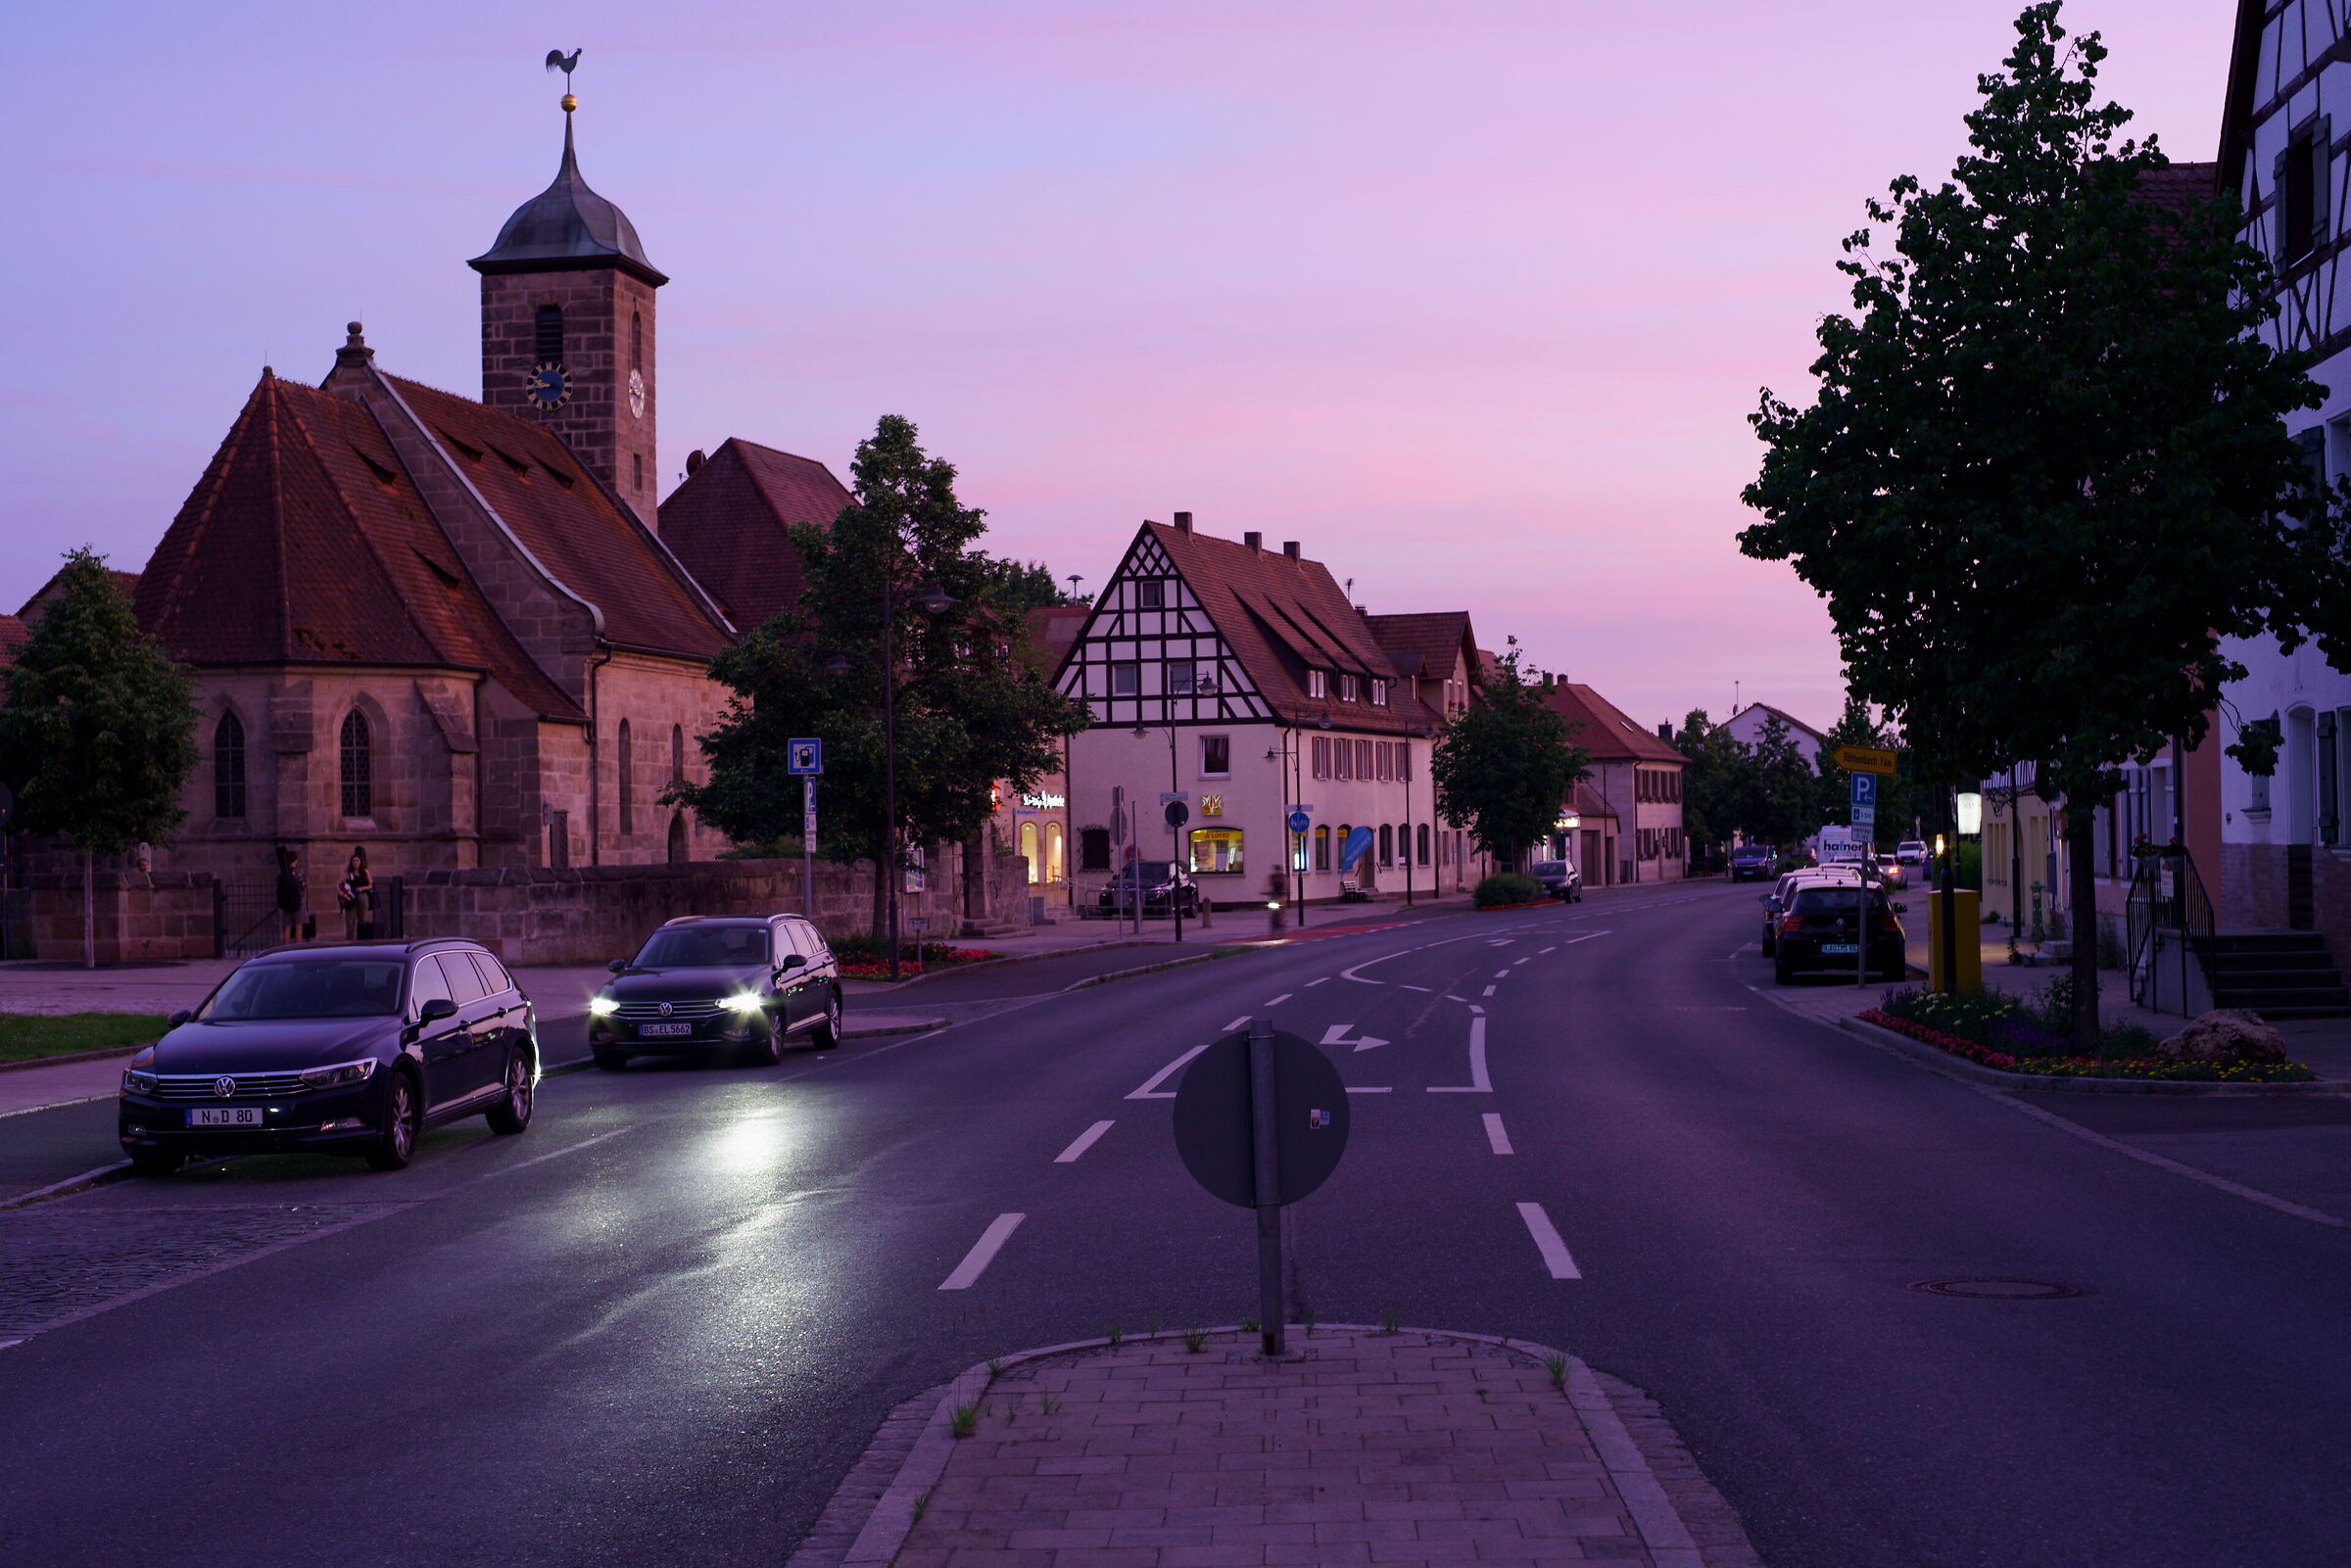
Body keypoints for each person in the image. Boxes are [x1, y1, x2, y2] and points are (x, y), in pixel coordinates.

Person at [338, 846, 374, 940]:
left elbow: (371, 885)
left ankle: (362, 941)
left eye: (357, 860)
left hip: (362, 897)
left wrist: (362, 888)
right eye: (354, 861)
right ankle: (350, 942)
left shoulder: (365, 872)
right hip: (351, 899)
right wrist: (342, 894)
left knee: (363, 921)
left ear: (360, 862)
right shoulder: (348, 874)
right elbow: (338, 884)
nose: (355, 862)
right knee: (350, 922)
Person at [274, 847, 306, 945]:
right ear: (295, 860)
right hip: (298, 902)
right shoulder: (298, 872)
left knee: (287, 927)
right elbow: (303, 886)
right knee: (298, 926)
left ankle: (286, 948)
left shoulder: (282, 875)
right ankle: (298, 948)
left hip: (286, 903)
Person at [1263, 868, 1287, 933]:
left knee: (1283, 904)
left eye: (1278, 870)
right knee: (1271, 906)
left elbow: (1285, 885)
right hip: (1274, 895)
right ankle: (1273, 924)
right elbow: (1267, 884)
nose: (1277, 872)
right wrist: (1264, 891)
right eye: (1276, 871)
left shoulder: (1283, 877)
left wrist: (1285, 891)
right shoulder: (1272, 877)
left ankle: (1283, 919)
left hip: (1281, 894)